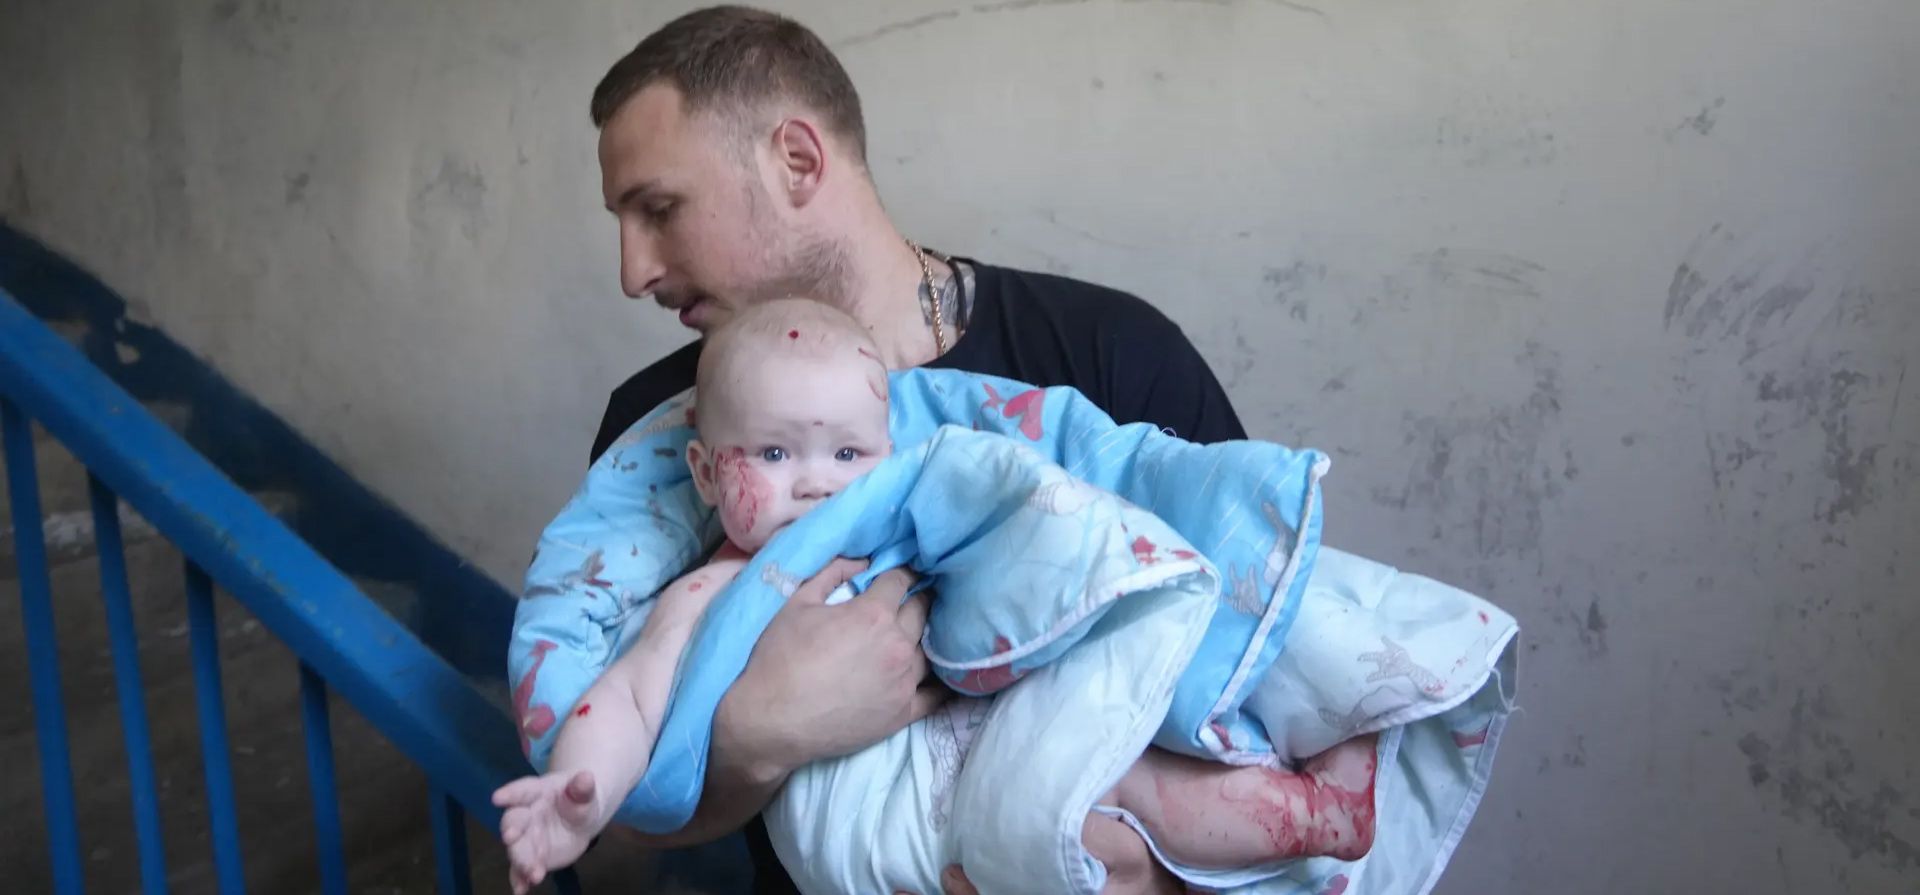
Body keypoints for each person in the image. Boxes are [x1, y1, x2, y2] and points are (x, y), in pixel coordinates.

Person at [579, 6, 1251, 893]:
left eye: (659, 209)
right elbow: (614, 811)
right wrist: (756, 734)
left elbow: (1265, 669)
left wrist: (1150, 880)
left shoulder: (1109, 357)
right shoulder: (661, 432)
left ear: (797, 161)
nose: (633, 271)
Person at [506, 300, 1379, 894]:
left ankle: (1315, 815)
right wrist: (577, 789)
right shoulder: (710, 589)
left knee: (1140, 777)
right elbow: (624, 694)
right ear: (703, 471)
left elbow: (1021, 542)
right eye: (772, 455)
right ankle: (1300, 825)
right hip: (896, 808)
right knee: (1101, 822)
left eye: (848, 455)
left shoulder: (916, 509)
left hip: (995, 725)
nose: (816, 484)